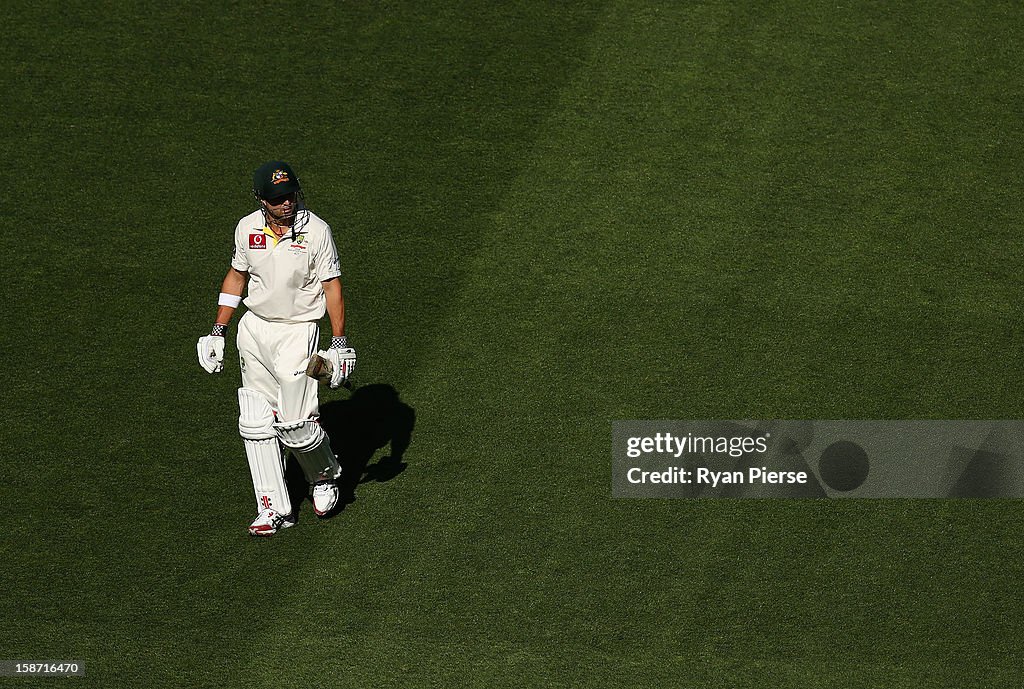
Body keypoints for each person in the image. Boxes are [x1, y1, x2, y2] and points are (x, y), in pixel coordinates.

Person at [197, 161, 357, 536]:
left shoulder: (316, 231)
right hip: (254, 330)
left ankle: (324, 477)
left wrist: (338, 342)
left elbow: (332, 286)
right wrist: (218, 330)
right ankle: (271, 507)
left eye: (290, 196)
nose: (287, 204)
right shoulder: (246, 228)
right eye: (277, 199)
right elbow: (237, 276)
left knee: (296, 424)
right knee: (255, 422)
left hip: (297, 331)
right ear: (261, 200)